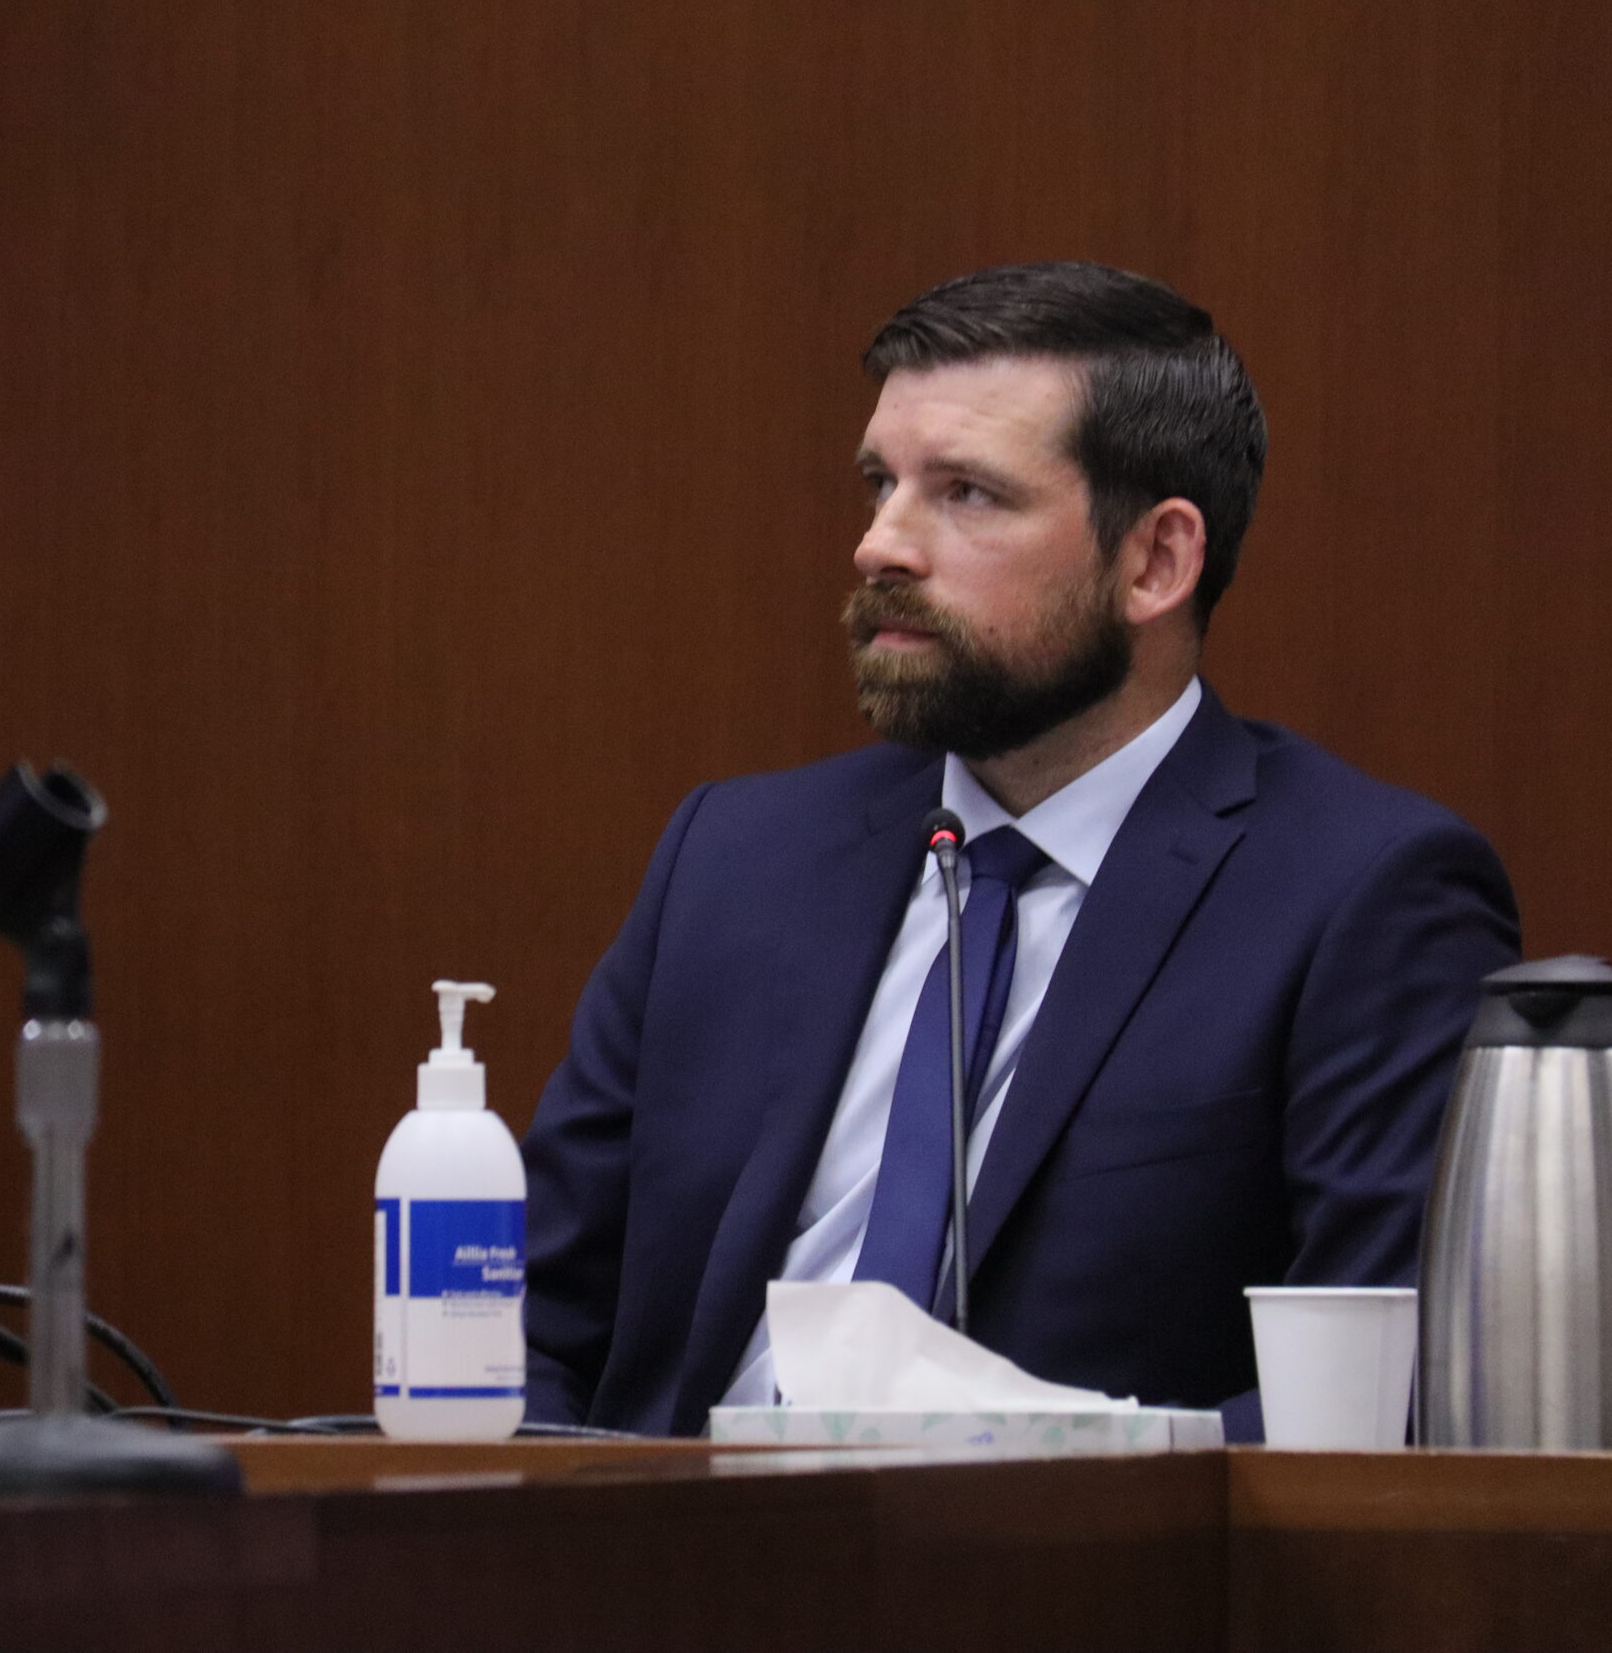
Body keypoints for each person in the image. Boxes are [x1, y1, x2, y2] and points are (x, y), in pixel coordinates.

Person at [522, 261, 1518, 1440]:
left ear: (1154, 562)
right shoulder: (734, 859)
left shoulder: (1362, 893)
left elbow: (1384, 1394)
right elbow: (521, 1318)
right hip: (661, 1534)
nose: (880, 545)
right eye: (880, 484)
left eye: (967, 494)